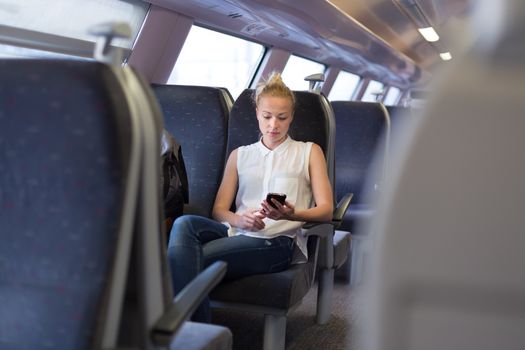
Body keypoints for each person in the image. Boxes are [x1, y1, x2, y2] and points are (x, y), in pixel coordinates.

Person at [167, 72, 333, 322]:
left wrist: (292, 213)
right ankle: (199, 334)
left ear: (292, 118)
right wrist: (239, 220)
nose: (273, 125)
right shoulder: (240, 155)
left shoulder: (309, 152)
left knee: (185, 260)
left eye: (282, 117)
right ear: (257, 113)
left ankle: (194, 335)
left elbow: (326, 210)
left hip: (277, 241)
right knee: (184, 224)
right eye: (266, 117)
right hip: (237, 232)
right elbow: (219, 211)